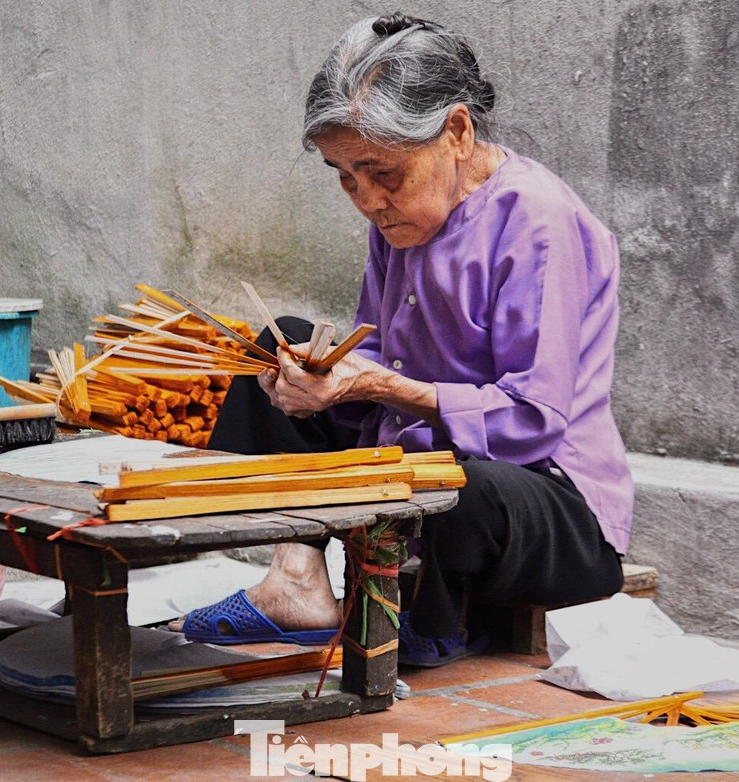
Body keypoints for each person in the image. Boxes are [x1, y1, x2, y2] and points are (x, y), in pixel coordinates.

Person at [173, 12, 633, 666]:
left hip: (545, 511)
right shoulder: (401, 220)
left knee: (463, 486)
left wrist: (380, 385)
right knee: (276, 347)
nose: (366, 198)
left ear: (456, 130)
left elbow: (534, 420)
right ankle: (297, 580)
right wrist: (324, 383)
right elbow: (375, 362)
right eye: (344, 175)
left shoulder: (540, 222)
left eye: (382, 173)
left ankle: (440, 619)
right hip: (413, 472)